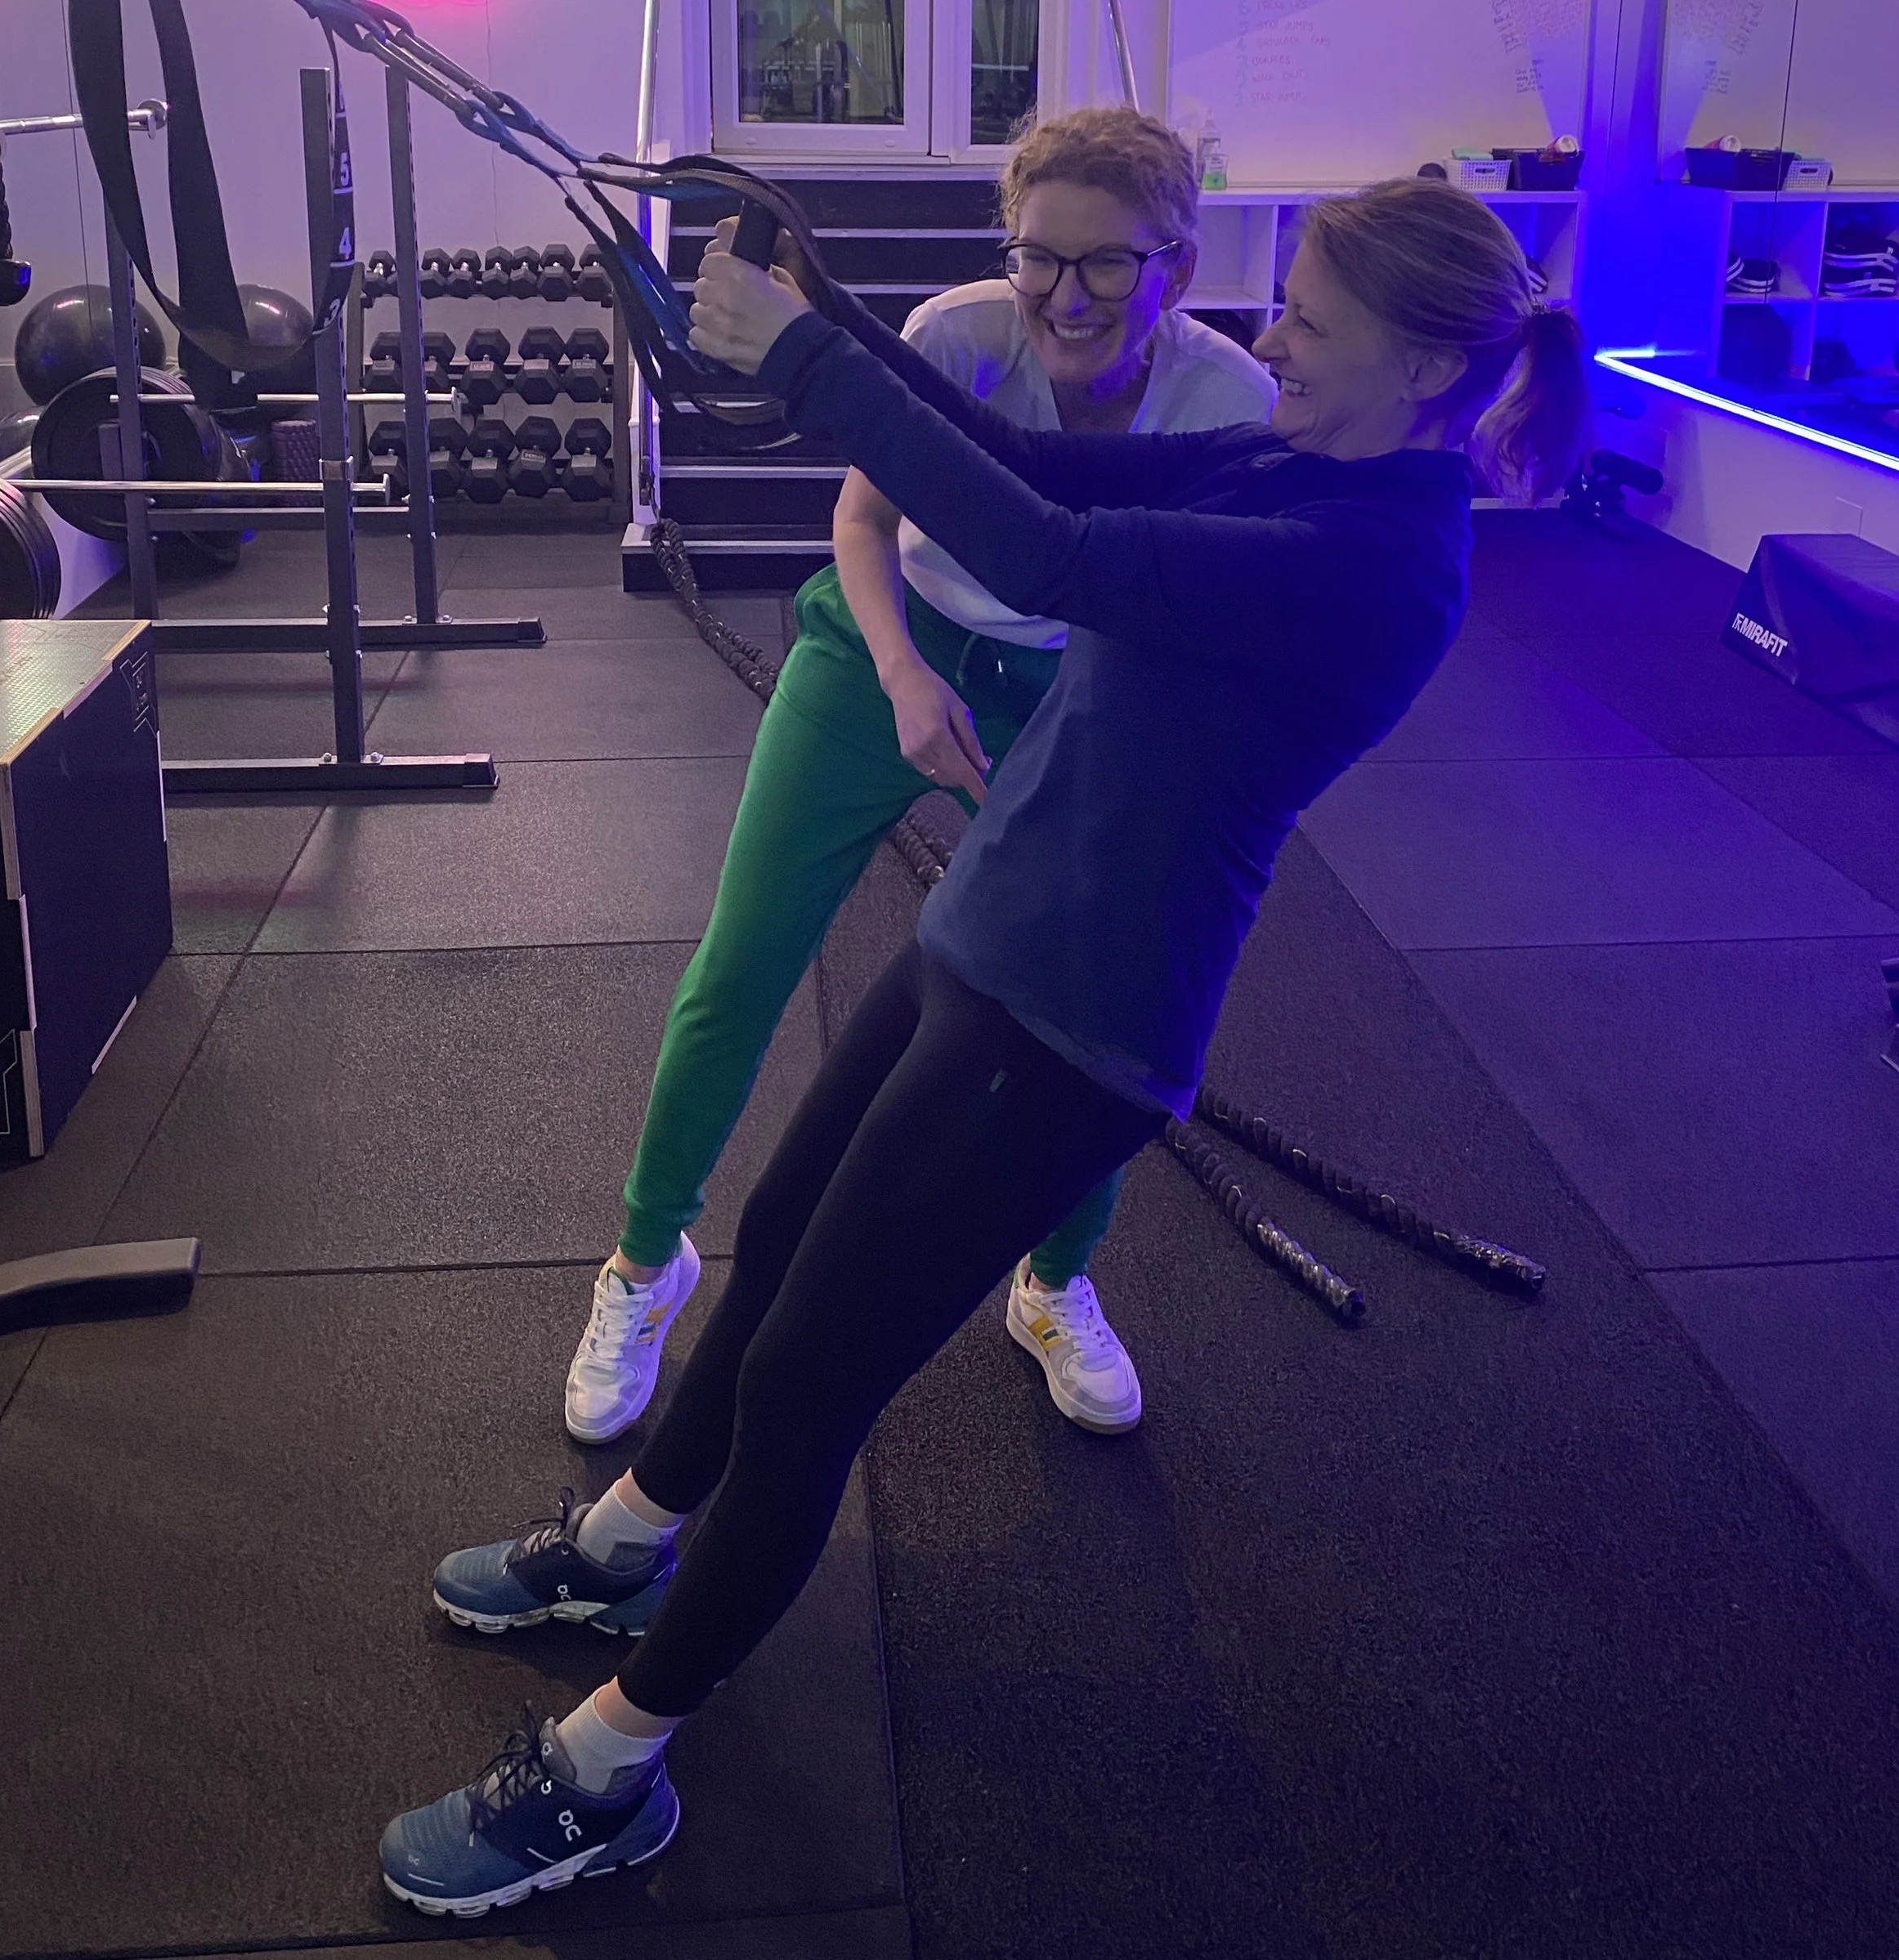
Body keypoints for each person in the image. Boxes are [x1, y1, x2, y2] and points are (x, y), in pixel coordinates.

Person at [379, 177, 1591, 1918]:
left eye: (1310, 318)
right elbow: (1038, 466)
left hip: (1078, 1025)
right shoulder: (1291, 459)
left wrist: (800, 362)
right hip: (978, 941)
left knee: (810, 1377)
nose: (1268, 335)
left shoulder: (1375, 560)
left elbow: (1050, 558)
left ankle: (609, 1763)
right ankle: (627, 1540)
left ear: (1420, 367)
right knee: (777, 1250)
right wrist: (835, 319)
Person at [561, 109, 1271, 1449]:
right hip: (883, 641)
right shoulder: (958, 333)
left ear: (1173, 265)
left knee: (1090, 1010)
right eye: (1037, 259)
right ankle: (645, 1263)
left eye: (1106, 266)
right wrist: (899, 674)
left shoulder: (1228, 397)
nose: (1065, 298)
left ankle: (1054, 1284)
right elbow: (863, 518)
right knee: (743, 962)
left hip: (1080, 681)